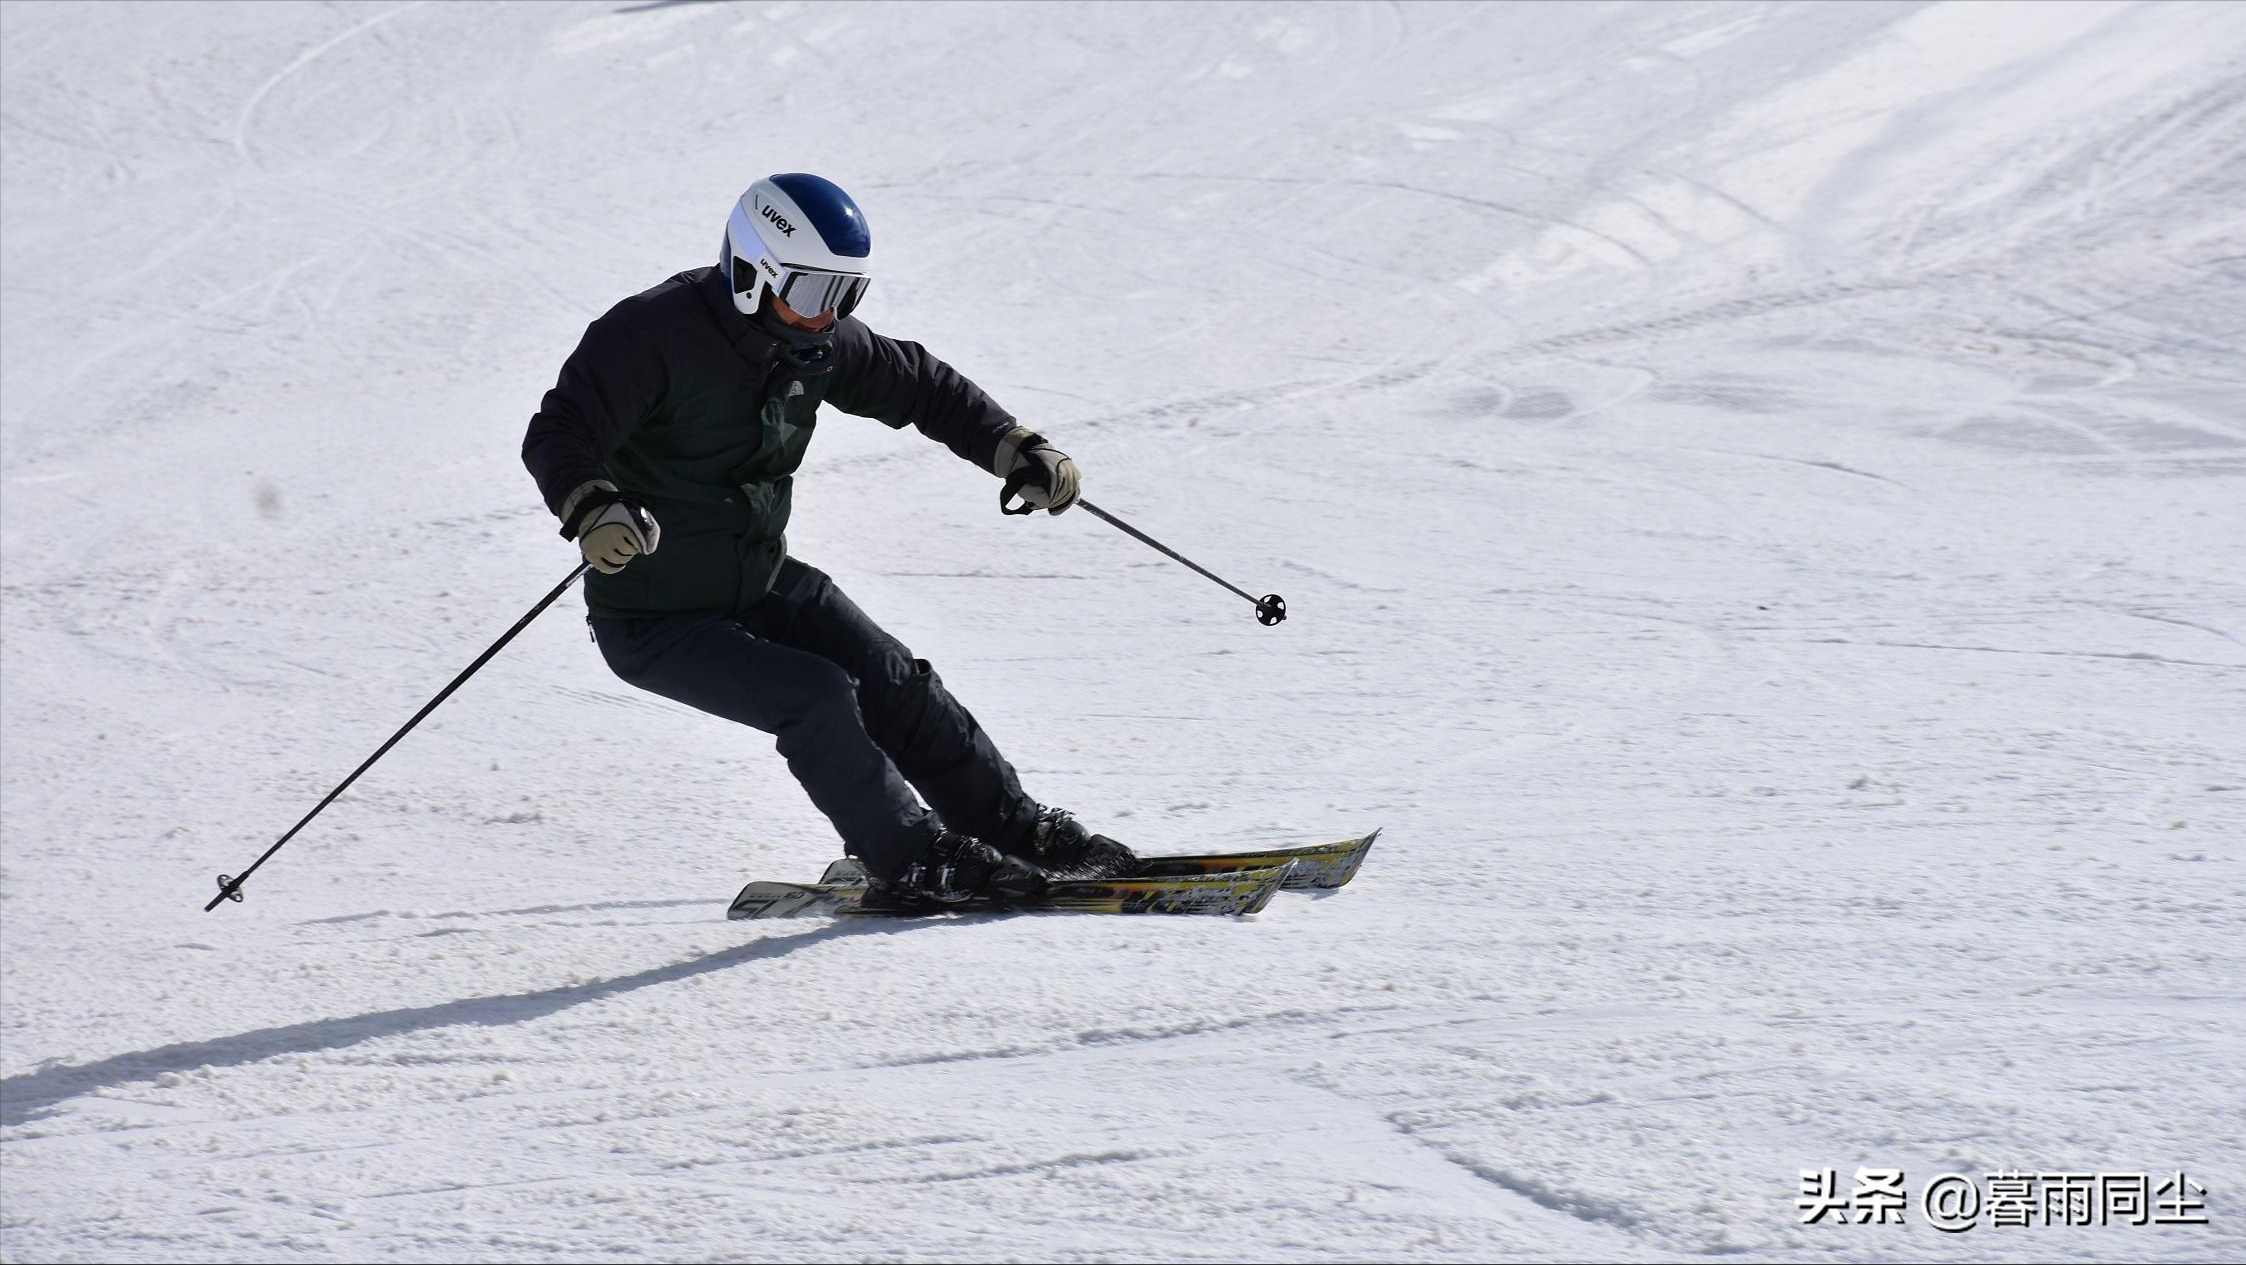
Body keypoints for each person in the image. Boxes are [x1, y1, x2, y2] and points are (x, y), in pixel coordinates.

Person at [521, 173, 1135, 907]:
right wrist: (594, 508)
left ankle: (1013, 829)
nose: (826, 317)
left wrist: (1012, 445)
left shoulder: (810, 342)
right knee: (814, 694)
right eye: (811, 293)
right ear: (750, 272)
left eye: (844, 296)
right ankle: (908, 855)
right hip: (656, 615)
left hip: (760, 577)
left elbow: (922, 386)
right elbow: (561, 428)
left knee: (892, 675)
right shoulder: (651, 335)